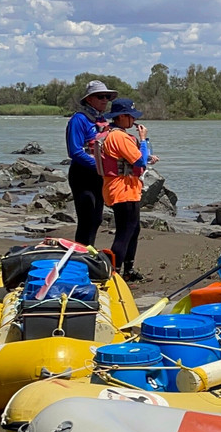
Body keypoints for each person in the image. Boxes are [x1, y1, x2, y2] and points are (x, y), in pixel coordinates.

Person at [96, 98, 154, 282]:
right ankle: (114, 274)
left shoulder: (113, 134)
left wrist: (146, 152)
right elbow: (139, 161)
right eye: (131, 116)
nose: (133, 121)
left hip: (125, 189)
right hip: (122, 190)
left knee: (133, 229)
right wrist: (143, 140)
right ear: (122, 117)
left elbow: (137, 159)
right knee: (125, 232)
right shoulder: (119, 136)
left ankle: (128, 270)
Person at [65, 80, 117, 247]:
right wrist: (102, 166)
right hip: (82, 174)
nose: (105, 100)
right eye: (100, 96)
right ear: (89, 99)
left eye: (107, 97)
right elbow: (75, 151)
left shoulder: (102, 120)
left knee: (96, 218)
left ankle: (88, 252)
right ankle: (80, 257)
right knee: (87, 218)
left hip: (99, 175)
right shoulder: (78, 120)